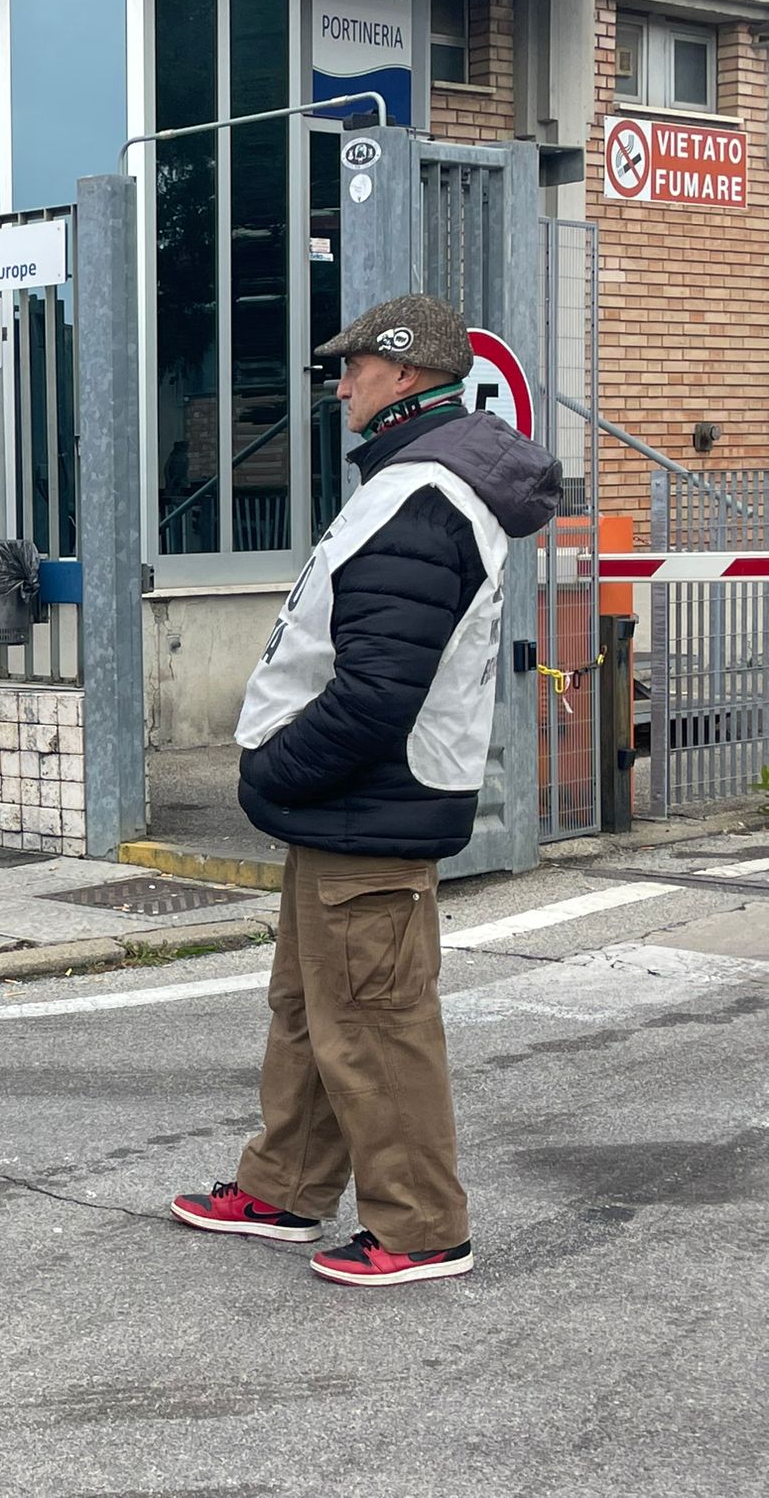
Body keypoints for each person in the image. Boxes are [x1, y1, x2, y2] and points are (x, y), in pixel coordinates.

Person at [172, 294, 561, 1286]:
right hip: (350, 804)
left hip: (367, 801)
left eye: (352, 367)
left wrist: (271, 772)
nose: (339, 385)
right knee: (314, 1009)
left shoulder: (424, 496)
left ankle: (421, 1228)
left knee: (377, 1027)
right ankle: (286, 1187)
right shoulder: (410, 482)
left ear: (403, 374)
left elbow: (378, 690)